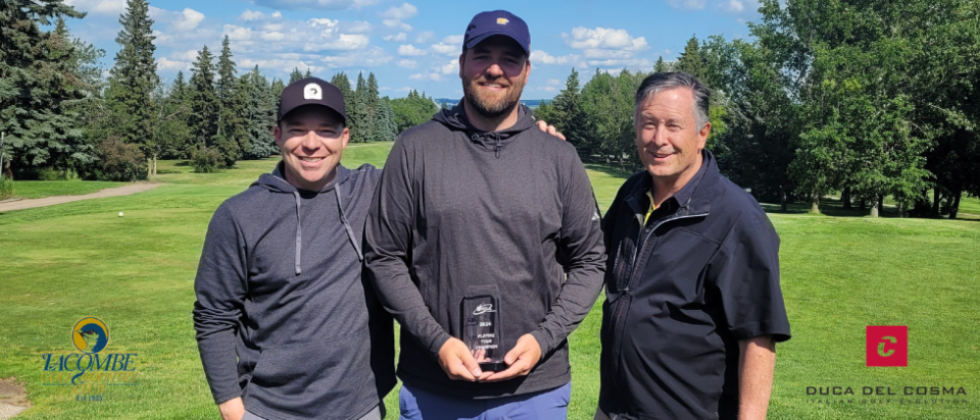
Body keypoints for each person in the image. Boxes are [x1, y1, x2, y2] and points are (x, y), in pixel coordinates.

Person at [363, 10, 606, 420]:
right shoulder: (415, 149)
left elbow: (590, 260)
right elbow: (383, 257)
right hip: (433, 390)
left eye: (509, 59)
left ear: (527, 71)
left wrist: (544, 339)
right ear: (461, 63)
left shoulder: (558, 157)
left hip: (535, 393)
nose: (495, 69)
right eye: (482, 56)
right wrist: (436, 341)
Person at [192, 77, 395, 420]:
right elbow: (214, 314)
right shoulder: (239, 215)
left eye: (326, 131)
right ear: (278, 135)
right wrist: (230, 405)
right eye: (298, 130)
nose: (311, 144)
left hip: (360, 407)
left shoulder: (374, 191)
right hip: (269, 409)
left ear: (344, 138)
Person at [596, 72, 792, 420]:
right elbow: (590, 258)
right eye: (648, 124)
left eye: (673, 125)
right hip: (614, 411)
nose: (659, 139)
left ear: (703, 133)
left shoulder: (737, 218)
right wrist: (552, 156)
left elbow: (758, 338)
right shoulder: (632, 193)